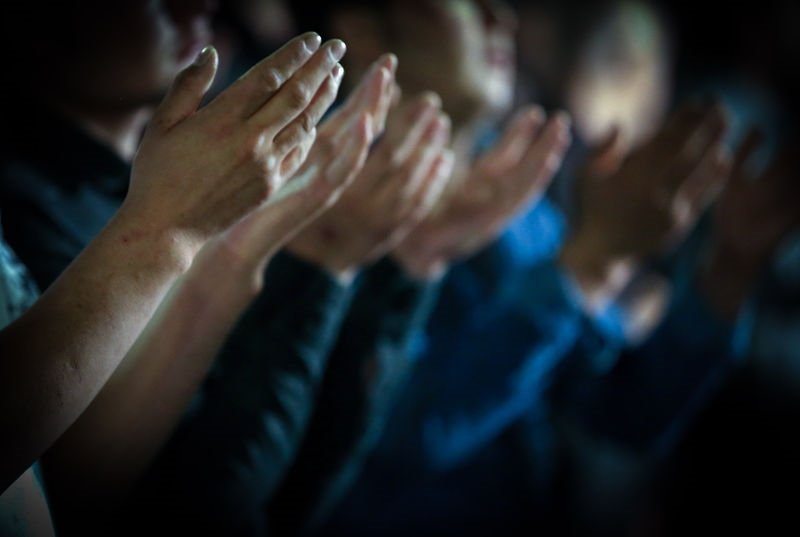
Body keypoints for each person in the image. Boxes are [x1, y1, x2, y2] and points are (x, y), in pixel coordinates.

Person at [0, 20, 362, 536]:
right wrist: (171, 231)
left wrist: (242, 256)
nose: (197, 9)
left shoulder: (185, 174)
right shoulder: (28, 203)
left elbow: (65, 479)